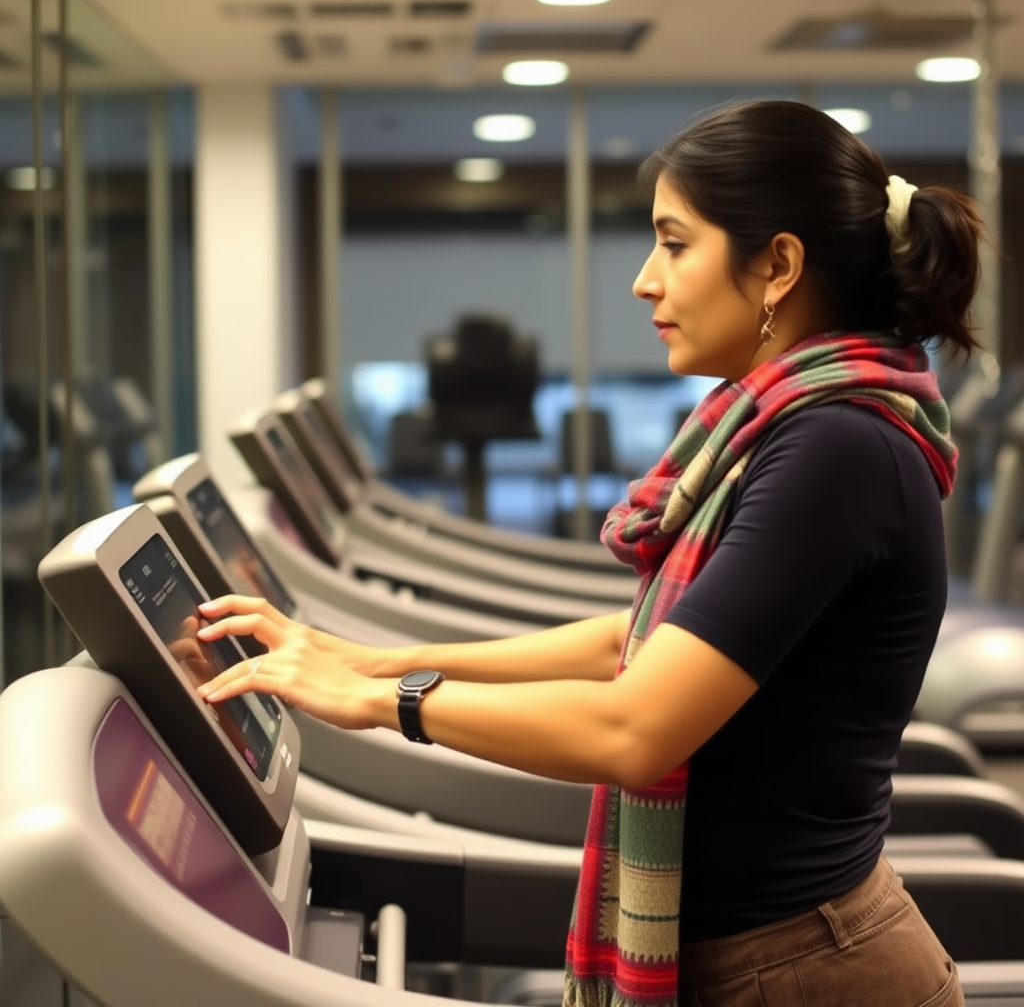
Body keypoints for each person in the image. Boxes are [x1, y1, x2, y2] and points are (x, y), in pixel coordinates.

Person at [196, 99, 982, 1007]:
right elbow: (648, 640)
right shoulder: (802, 427)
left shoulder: (837, 446)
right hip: (773, 957)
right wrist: (379, 658)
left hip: (804, 973)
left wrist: (384, 702)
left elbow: (634, 726)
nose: (645, 282)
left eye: (675, 243)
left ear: (777, 267)